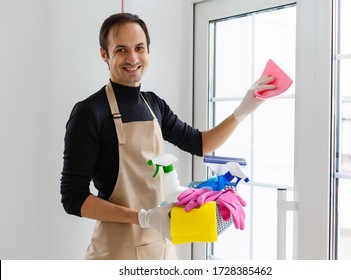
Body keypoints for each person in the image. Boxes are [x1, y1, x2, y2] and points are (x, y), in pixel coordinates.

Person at [60, 12, 275, 260]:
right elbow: (73, 197)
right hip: (115, 254)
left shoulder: (154, 105)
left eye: (139, 48)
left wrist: (242, 111)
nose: (133, 58)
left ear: (148, 51)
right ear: (104, 55)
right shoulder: (90, 112)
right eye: (121, 50)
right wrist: (141, 217)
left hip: (161, 250)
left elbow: (201, 143)